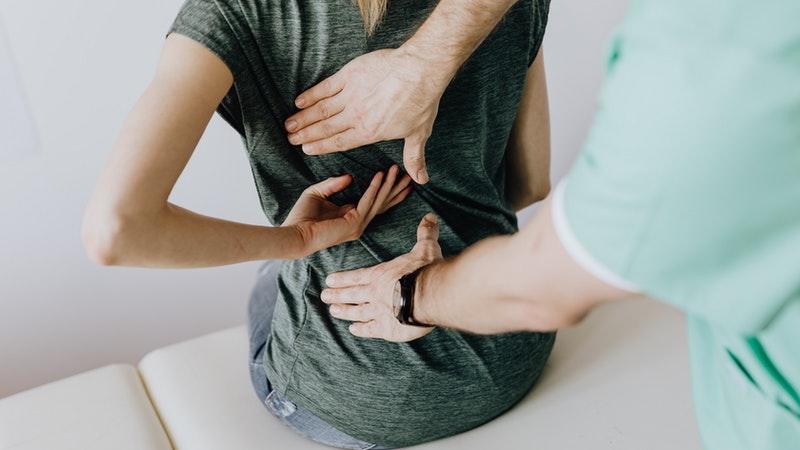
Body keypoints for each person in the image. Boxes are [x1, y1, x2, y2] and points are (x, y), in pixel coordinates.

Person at [296, 1, 800, 449]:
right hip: (517, 356)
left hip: (368, 398)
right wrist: (427, 58)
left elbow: (552, 283)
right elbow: (530, 187)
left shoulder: (711, 59)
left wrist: (405, 293)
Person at [82, 0, 555, 448]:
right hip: (514, 345)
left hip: (367, 400)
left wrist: (296, 239)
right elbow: (529, 185)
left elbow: (119, 231)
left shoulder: (232, 12)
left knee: (270, 272)